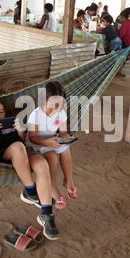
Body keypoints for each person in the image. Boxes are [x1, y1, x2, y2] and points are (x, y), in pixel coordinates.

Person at [0, 95, 59, 240]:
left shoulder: (11, 123)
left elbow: (23, 141)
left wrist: (20, 132)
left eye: (2, 111)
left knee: (42, 165)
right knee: (18, 147)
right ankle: (30, 190)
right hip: (4, 154)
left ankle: (46, 215)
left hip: (23, 152)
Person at [27, 81, 78, 210]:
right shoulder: (36, 115)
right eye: (54, 105)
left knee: (66, 149)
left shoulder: (60, 112)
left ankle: (68, 180)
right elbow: (32, 137)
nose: (57, 108)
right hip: (38, 143)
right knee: (52, 157)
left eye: (60, 104)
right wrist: (46, 142)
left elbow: (63, 132)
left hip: (53, 140)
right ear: (44, 100)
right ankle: (53, 187)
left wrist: (65, 139)